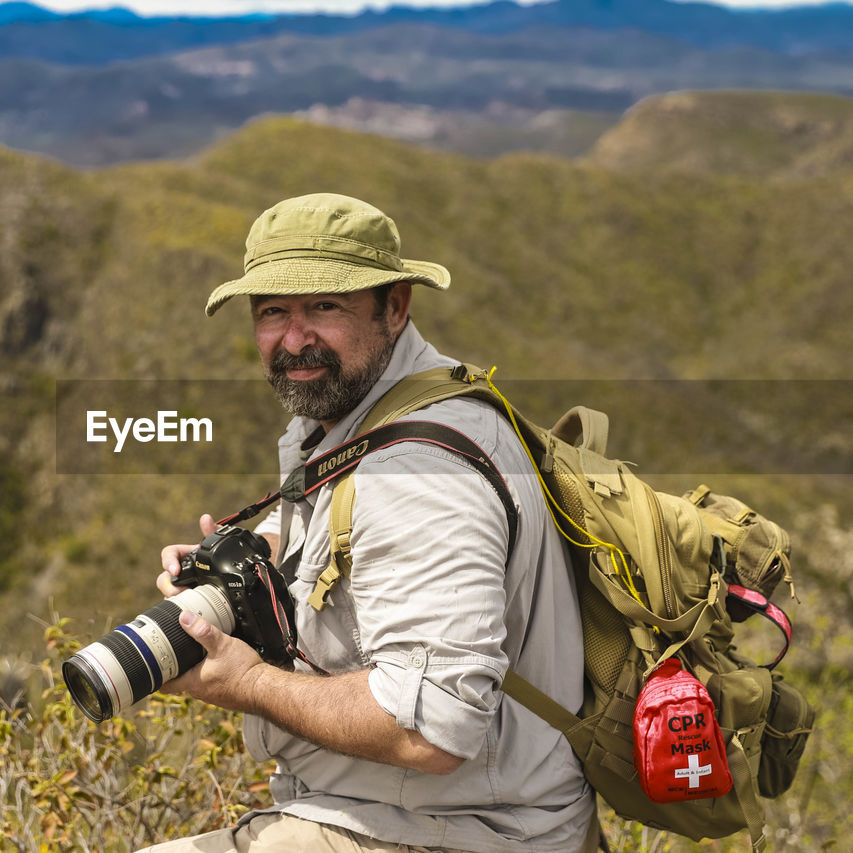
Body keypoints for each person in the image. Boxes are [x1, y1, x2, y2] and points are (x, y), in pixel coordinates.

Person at [141, 193, 596, 852]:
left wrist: (245, 683)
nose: (294, 340)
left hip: (464, 832)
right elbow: (363, 542)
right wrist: (257, 557)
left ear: (396, 305)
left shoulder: (416, 473)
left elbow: (433, 727)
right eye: (272, 312)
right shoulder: (359, 418)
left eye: (326, 306)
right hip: (422, 812)